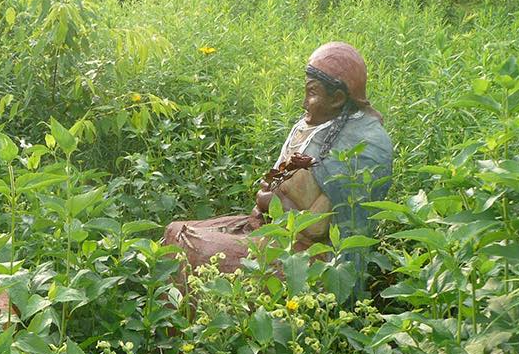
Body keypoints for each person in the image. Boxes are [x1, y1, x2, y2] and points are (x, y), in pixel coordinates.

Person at [163, 41, 392, 278]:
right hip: (271, 229)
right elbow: (272, 182)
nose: (304, 103)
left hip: (306, 255)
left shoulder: (362, 147)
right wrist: (266, 202)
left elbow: (316, 227)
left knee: (191, 246)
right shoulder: (312, 125)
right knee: (175, 232)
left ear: (337, 98)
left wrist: (277, 204)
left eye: (311, 93)